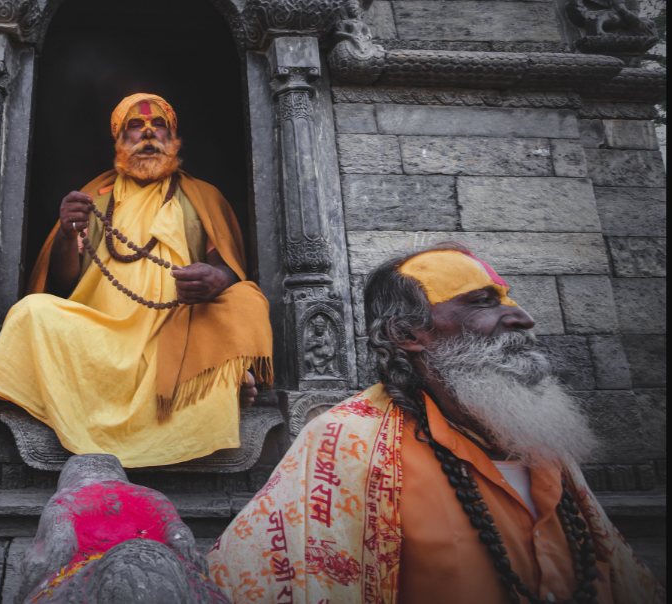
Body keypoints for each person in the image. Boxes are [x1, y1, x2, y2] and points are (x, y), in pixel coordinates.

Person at [208, 244, 664, 604]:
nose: (523, 318)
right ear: (406, 335)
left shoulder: (541, 438)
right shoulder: (345, 443)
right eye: (483, 303)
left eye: (507, 299)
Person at [0, 93, 272, 467]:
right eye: (136, 126)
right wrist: (69, 235)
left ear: (173, 138)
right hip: (101, 336)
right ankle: (226, 382)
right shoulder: (94, 197)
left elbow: (228, 267)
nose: (148, 134)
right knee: (31, 311)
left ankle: (226, 375)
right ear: (119, 140)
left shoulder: (203, 196)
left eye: (158, 126)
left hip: (178, 333)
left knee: (246, 299)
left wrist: (217, 277)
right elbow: (63, 285)